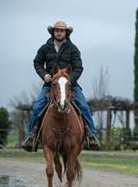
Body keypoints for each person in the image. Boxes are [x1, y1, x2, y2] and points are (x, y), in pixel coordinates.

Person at [22, 21, 99, 152]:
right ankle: (31, 137)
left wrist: (69, 80)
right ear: (53, 32)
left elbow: (79, 67)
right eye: (57, 30)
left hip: (71, 85)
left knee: (84, 106)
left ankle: (92, 135)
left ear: (66, 33)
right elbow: (37, 63)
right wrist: (44, 75)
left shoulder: (73, 48)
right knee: (37, 107)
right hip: (50, 85)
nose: (59, 32)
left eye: (62, 31)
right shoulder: (44, 48)